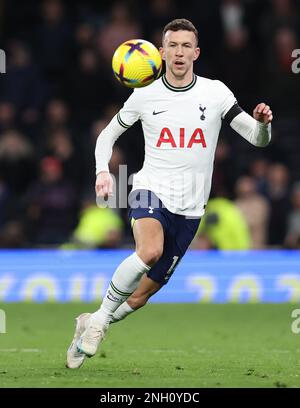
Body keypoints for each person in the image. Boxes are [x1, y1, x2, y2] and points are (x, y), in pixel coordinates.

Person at [66, 18, 272, 369]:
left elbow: (256, 138)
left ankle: (92, 321)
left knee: (142, 296)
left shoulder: (216, 93)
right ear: (160, 53)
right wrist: (103, 172)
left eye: (185, 46)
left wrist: (264, 124)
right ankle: (99, 322)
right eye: (172, 46)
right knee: (149, 251)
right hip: (150, 189)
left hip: (191, 208)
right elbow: (106, 136)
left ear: (196, 52)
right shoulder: (144, 94)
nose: (179, 52)